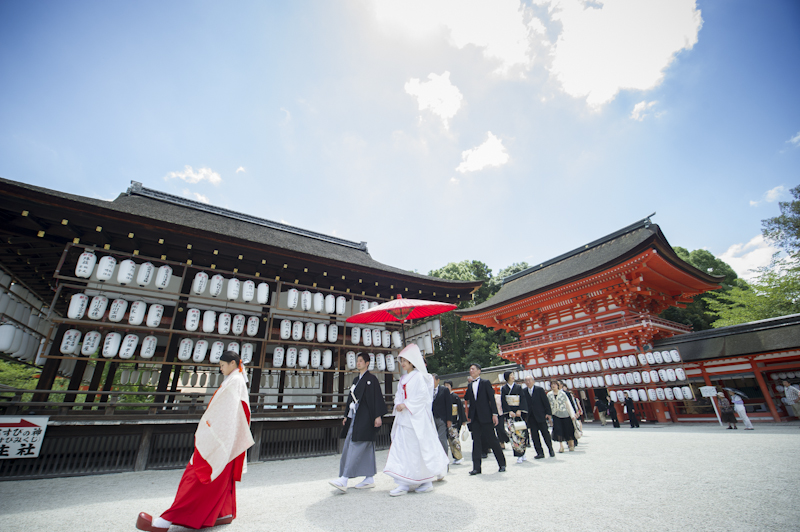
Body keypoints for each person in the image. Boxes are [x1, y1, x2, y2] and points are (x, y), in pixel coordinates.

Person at [136, 351, 255, 532]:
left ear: (232, 363)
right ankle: (222, 513)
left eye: (222, 365)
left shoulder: (235, 381)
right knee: (219, 479)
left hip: (221, 437)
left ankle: (167, 520)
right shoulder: (236, 379)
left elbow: (227, 412)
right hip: (226, 437)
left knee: (199, 476)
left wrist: (211, 431)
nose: (221, 369)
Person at [383, 344, 449, 496]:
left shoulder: (420, 377)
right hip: (404, 418)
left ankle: (421, 482)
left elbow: (423, 396)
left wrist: (406, 405)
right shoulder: (403, 379)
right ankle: (405, 482)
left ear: (412, 361)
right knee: (403, 449)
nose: (403, 363)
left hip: (415, 419)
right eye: (401, 360)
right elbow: (398, 395)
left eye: (405, 360)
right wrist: (398, 403)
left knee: (416, 450)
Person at [329, 352, 388, 492]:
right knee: (361, 445)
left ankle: (344, 478)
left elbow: (376, 398)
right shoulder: (356, 380)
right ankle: (369, 478)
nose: (358, 363)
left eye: (361, 361)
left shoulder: (372, 379)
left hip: (367, 417)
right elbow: (351, 398)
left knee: (356, 445)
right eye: (357, 361)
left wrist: (378, 416)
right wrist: (346, 415)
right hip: (356, 416)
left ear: (367, 363)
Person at [463, 363, 506, 475]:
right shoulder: (470, 385)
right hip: (475, 417)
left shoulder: (485, 383)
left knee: (492, 440)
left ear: (479, 371)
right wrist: (469, 385)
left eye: (473, 369)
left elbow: (491, 398)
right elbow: (466, 397)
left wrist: (494, 414)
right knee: (476, 441)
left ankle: (502, 463)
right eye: (470, 369)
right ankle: (476, 467)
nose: (471, 371)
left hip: (486, 415)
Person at [500, 371, 528, 464]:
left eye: (513, 375)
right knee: (513, 435)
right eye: (511, 375)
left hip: (518, 414)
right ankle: (518, 454)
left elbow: (522, 398)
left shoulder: (518, 387)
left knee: (521, 435)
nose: (513, 377)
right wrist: (509, 411)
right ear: (507, 377)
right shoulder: (504, 388)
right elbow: (504, 401)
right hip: (510, 414)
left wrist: (520, 410)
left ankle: (523, 452)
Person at [523, 376, 554, 459]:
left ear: (533, 381)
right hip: (531, 416)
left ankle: (550, 449)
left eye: (529, 380)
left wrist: (548, 413)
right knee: (534, 436)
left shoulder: (539, 389)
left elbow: (545, 402)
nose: (528, 382)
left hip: (541, 415)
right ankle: (540, 452)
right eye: (526, 381)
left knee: (545, 434)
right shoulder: (524, 391)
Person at [547, 379, 575, 452]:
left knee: (568, 429)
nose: (553, 386)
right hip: (555, 414)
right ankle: (561, 446)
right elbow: (548, 405)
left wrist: (572, 414)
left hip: (565, 413)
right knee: (558, 430)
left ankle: (571, 444)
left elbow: (567, 404)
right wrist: (549, 415)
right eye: (552, 384)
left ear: (558, 385)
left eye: (555, 384)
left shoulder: (562, 393)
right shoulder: (549, 394)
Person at [444, 380, 466, 464]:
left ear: (451, 386)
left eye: (448, 385)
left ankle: (459, 456)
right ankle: (455, 456)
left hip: (454, 420)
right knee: (449, 440)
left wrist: (463, 420)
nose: (446, 387)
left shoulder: (455, 396)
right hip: (446, 420)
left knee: (455, 440)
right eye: (445, 385)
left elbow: (460, 409)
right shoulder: (443, 396)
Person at [431, 373, 452, 458]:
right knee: (433, 439)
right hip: (431, 417)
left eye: (433, 380)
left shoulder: (444, 390)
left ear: (438, 380)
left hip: (442, 418)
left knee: (442, 438)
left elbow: (448, 405)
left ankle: (444, 459)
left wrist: (449, 419)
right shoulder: (427, 390)